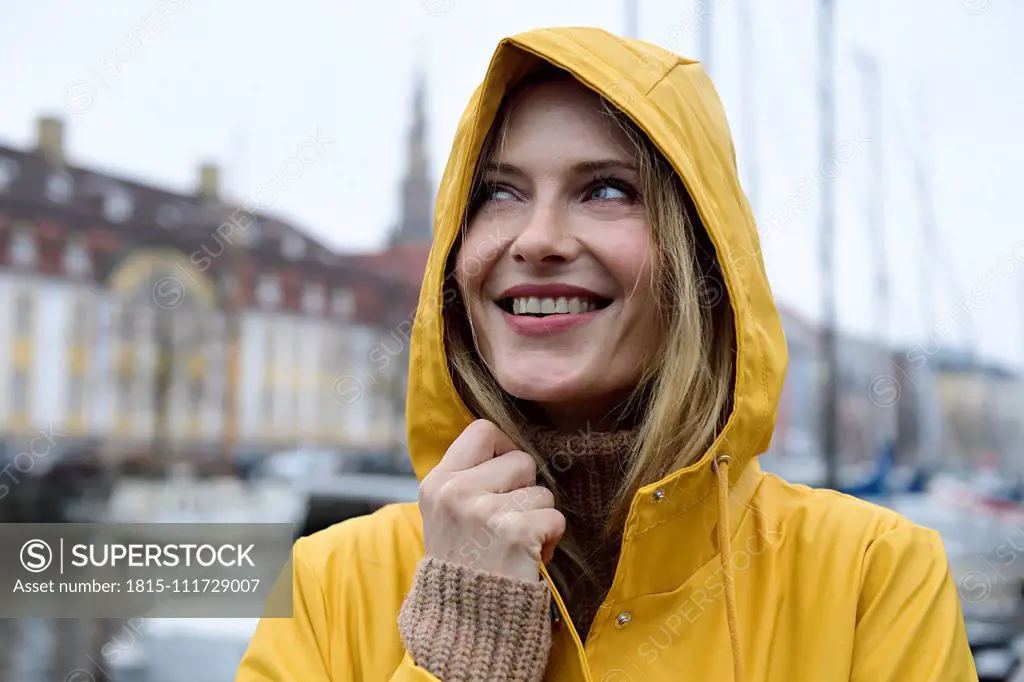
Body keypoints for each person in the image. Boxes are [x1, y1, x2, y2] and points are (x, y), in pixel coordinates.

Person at [236, 27, 976, 681]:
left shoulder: (872, 575)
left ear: (702, 259)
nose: (537, 238)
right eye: (498, 193)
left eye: (606, 190)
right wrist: (461, 654)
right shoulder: (329, 583)